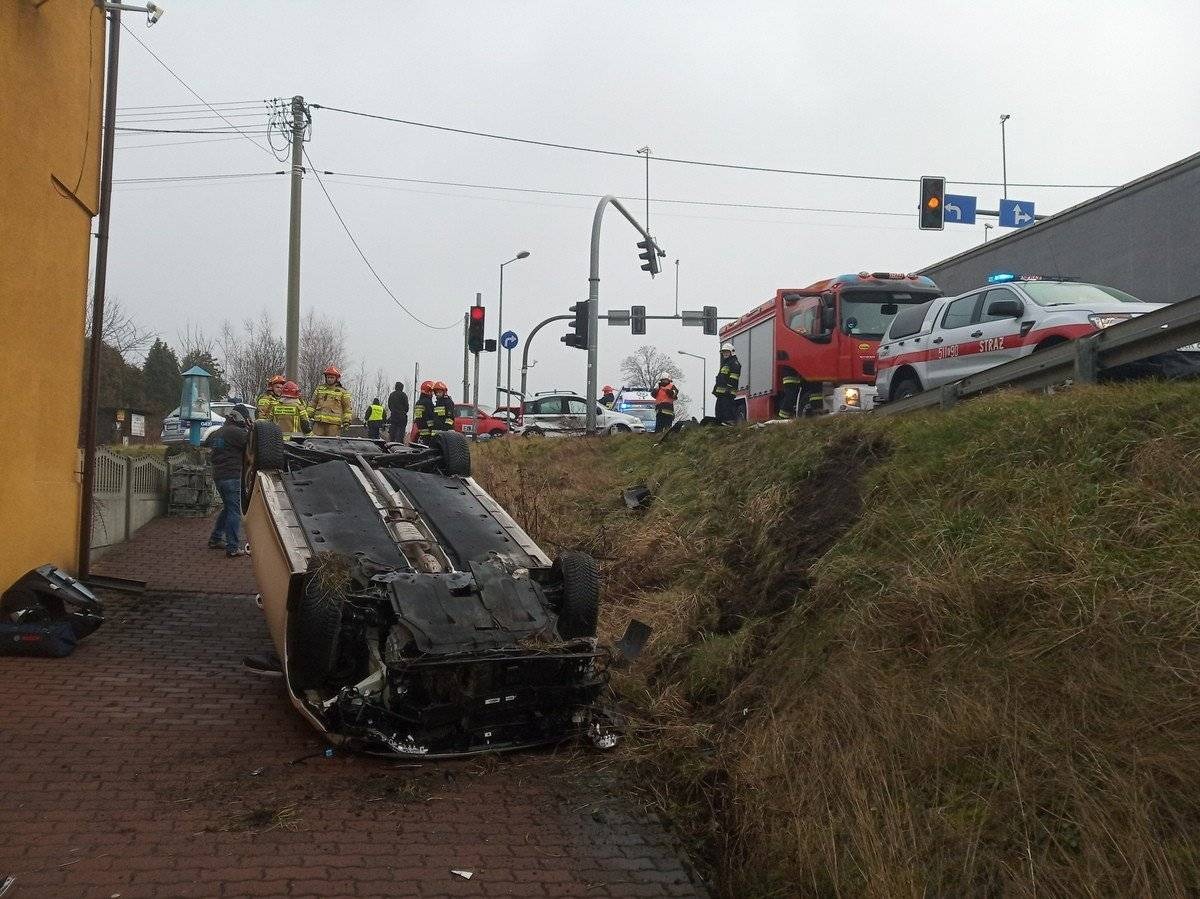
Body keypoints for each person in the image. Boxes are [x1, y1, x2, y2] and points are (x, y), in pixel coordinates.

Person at [203, 407, 249, 558]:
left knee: (228, 508)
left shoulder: (218, 432)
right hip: (231, 476)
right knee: (234, 511)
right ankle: (233, 547)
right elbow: (252, 444)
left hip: (219, 476)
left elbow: (208, 443)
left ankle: (215, 539)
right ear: (239, 419)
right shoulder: (236, 432)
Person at [309, 365, 352, 436]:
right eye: (328, 377)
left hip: (333, 425)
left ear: (336, 379)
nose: (329, 379)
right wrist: (307, 416)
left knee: (332, 444)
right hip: (319, 423)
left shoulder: (342, 392)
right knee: (315, 442)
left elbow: (347, 408)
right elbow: (313, 403)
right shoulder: (319, 389)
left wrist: (346, 421)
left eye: (332, 378)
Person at [713, 342, 742, 424]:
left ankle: (730, 423)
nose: (725, 354)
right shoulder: (725, 363)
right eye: (724, 352)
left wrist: (729, 388)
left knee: (727, 410)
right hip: (722, 393)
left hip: (728, 392)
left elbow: (734, 377)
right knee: (719, 411)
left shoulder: (734, 363)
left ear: (731, 352)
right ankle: (721, 425)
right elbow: (720, 377)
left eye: (727, 352)